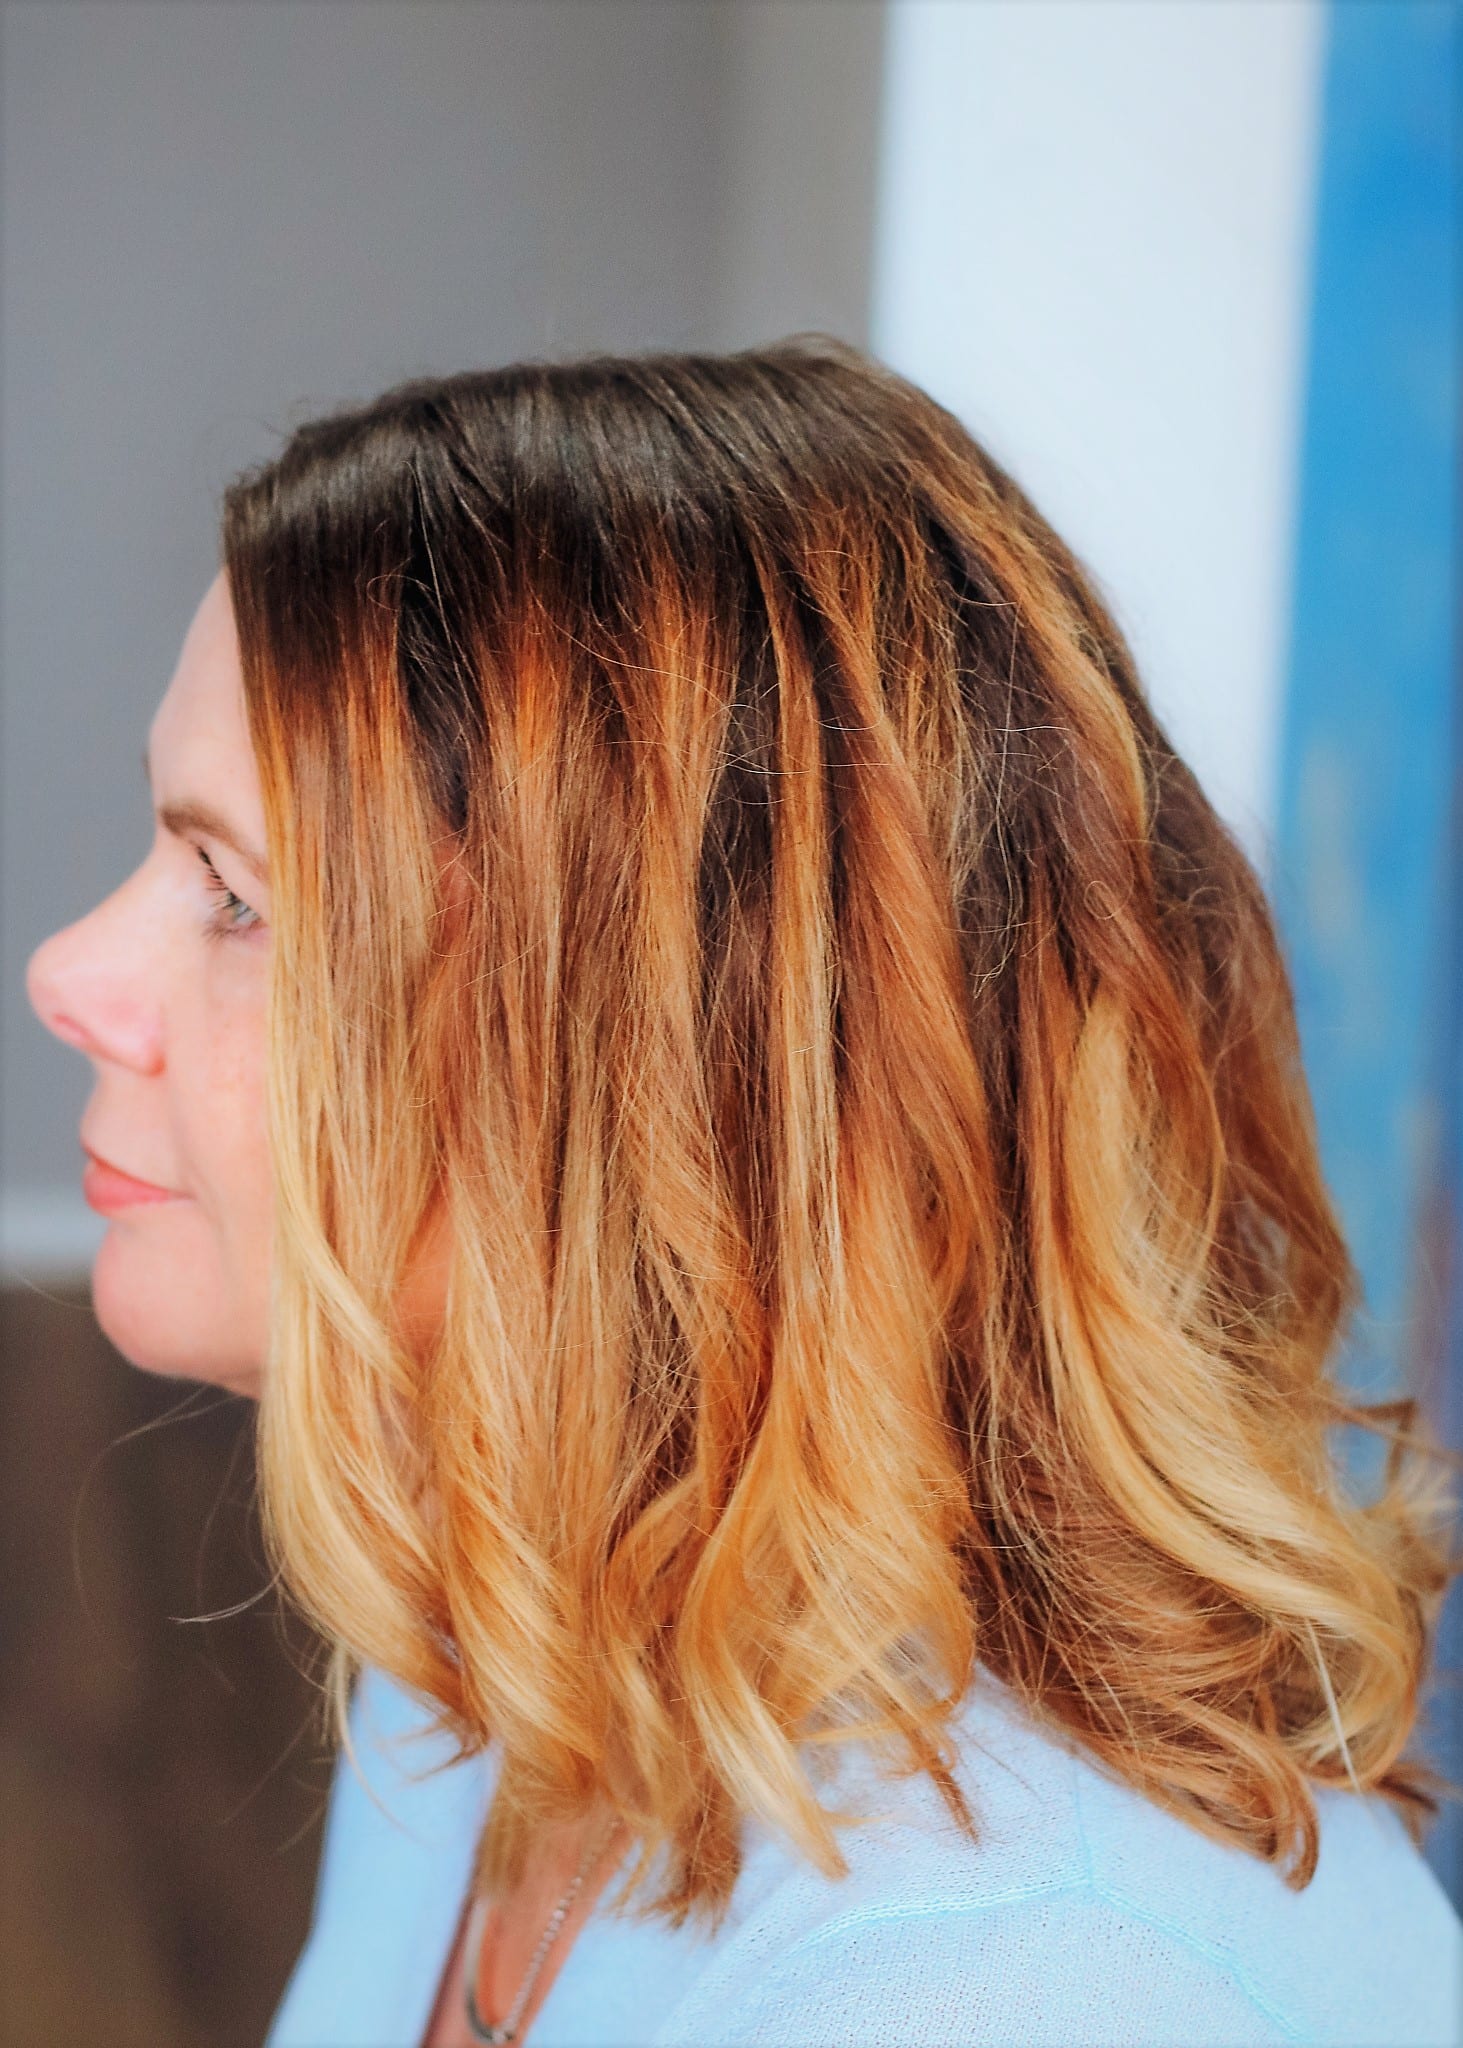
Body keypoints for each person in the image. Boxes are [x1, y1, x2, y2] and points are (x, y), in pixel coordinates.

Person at [27, 339, 1463, 2047]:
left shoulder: (1008, 1989)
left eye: (236, 897)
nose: (67, 973)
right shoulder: (502, 1620)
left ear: (655, 1074)